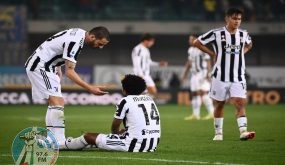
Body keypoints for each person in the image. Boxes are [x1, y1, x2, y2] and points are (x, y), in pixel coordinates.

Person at [25, 27, 110, 148]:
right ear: (92, 37)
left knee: (55, 102)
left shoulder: (78, 32)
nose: (100, 47)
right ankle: (59, 141)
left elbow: (56, 45)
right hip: (41, 66)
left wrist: (58, 67)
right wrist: (90, 88)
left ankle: (53, 139)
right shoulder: (75, 42)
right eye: (100, 43)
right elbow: (69, 72)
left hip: (49, 66)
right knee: (57, 101)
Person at [193, 8, 255, 141]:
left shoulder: (244, 34)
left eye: (239, 19)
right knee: (219, 104)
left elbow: (249, 45)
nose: (237, 21)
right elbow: (197, 42)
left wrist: (241, 53)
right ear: (227, 19)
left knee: (240, 103)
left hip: (238, 76)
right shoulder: (216, 33)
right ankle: (218, 133)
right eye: (234, 18)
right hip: (219, 76)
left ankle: (243, 132)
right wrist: (212, 53)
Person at [65, 74, 161, 152]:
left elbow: (115, 126)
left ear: (124, 90)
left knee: (87, 137)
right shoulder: (150, 99)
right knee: (122, 132)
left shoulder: (125, 101)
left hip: (133, 145)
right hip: (153, 144)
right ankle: (97, 143)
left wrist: (116, 134)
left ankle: (65, 144)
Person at [181, 35, 214, 121]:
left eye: (191, 39)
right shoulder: (190, 50)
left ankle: (212, 113)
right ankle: (196, 115)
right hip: (194, 74)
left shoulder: (202, 48)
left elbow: (208, 61)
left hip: (202, 73)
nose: (190, 41)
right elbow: (189, 62)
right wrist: (184, 74)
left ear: (196, 40)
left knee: (203, 93)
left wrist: (208, 74)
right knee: (195, 94)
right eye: (189, 39)